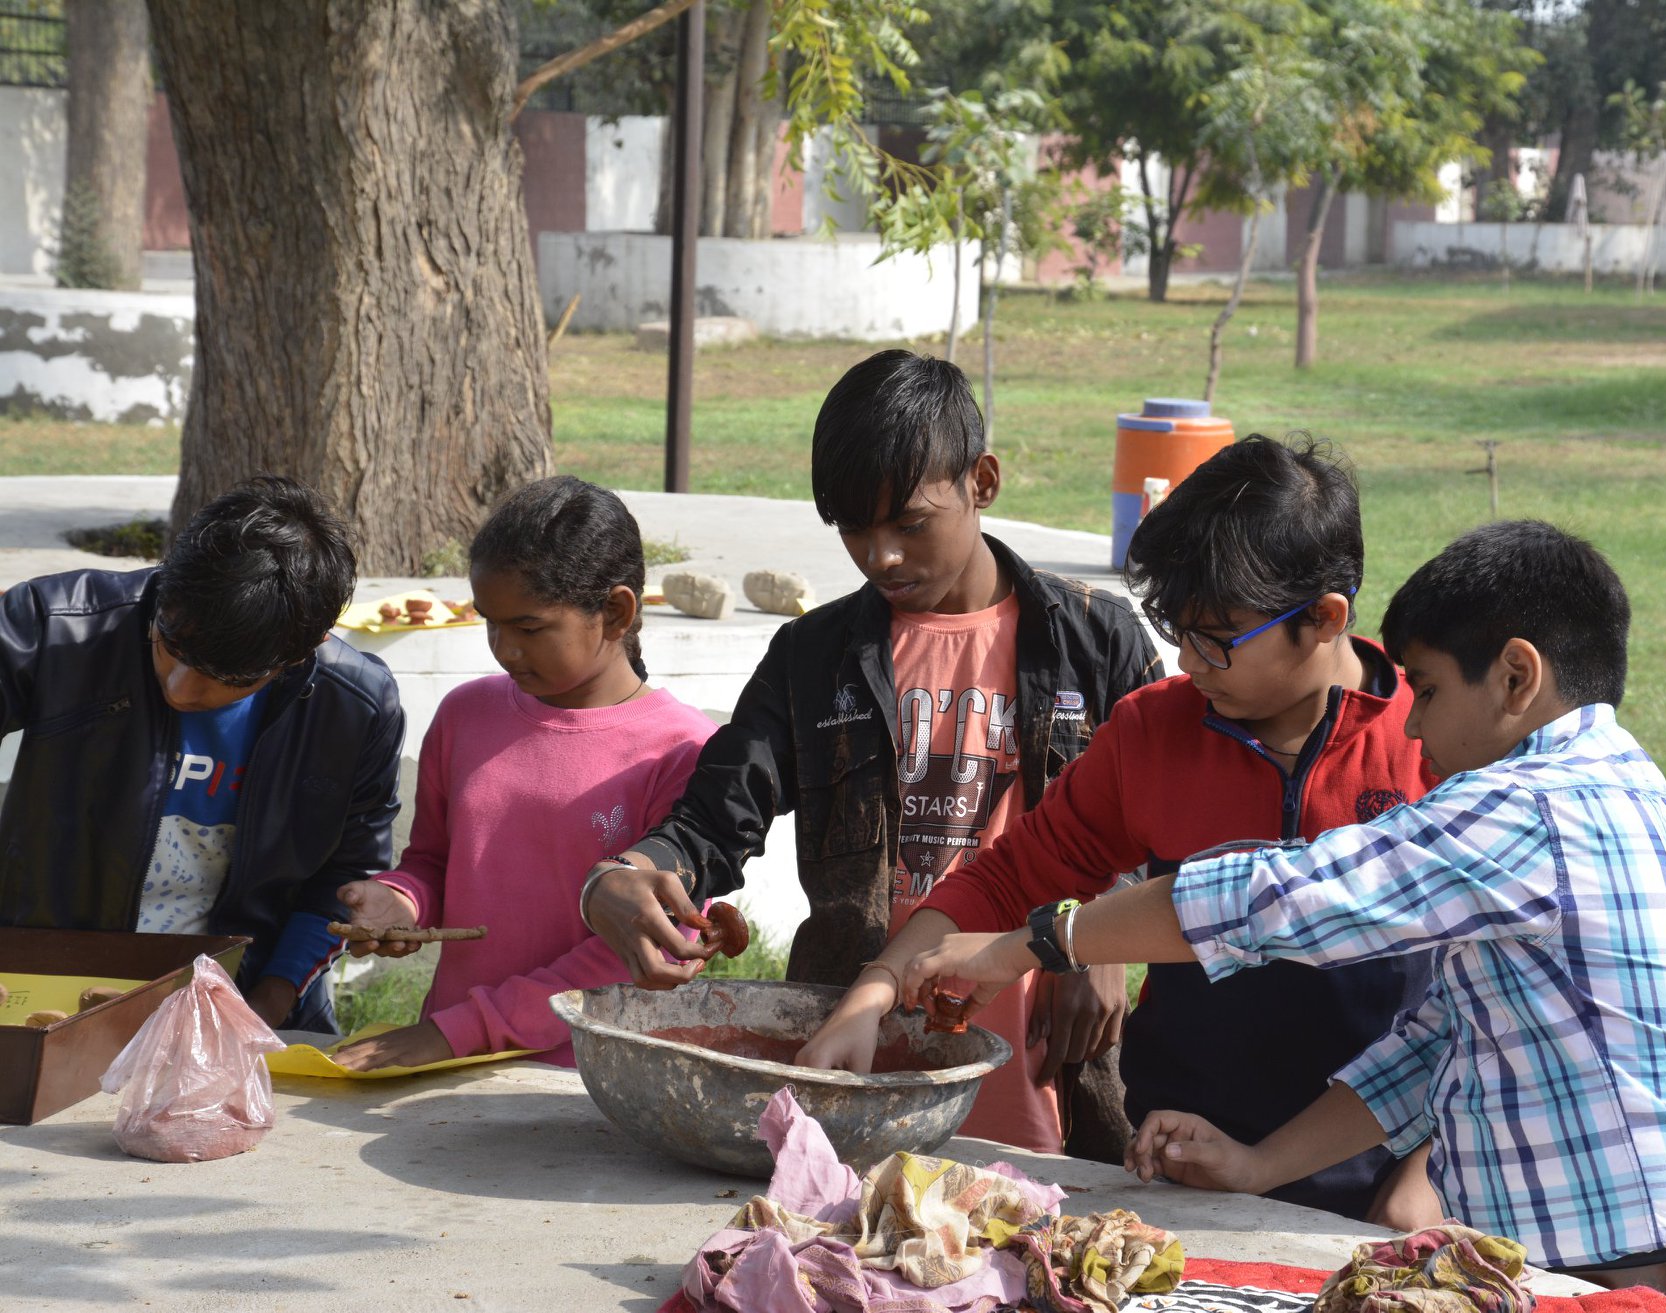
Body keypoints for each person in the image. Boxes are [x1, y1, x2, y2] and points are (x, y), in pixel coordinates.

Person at [899, 520, 1666, 1312]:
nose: (1413, 729)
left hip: (1654, 1286)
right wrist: (1257, 1166)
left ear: (1517, 676)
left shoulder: (1535, 807)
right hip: (1630, 1272)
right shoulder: (1602, 779)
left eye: (1432, 692)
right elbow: (1436, 1045)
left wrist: (1034, 942)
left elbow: (1280, 898)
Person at [799, 434, 1440, 1227]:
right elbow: (1010, 876)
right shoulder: (1154, 731)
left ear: (1323, 618)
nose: (1187, 661)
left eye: (1215, 637)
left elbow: (1488, 995)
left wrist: (1421, 1168)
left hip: (1384, 1176)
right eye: (1174, 628)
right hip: (1183, 1156)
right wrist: (877, 986)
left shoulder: (1436, 742)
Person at [581, 350, 1164, 1157]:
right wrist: (622, 876)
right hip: (854, 1060)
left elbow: (1161, 832)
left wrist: (1097, 943)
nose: (880, 555)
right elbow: (715, 817)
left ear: (982, 483)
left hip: (1046, 1061)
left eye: (909, 524)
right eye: (854, 528)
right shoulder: (812, 657)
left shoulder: (1096, 640)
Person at [331, 478, 717, 1070]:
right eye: (490, 622)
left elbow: (643, 952)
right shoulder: (466, 715)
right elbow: (435, 861)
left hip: (588, 1078)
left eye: (529, 628)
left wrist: (459, 1031)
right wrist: (402, 902)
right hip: (448, 1066)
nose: (504, 649)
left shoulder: (683, 752)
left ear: (615, 612)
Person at [0, 475, 403, 1031]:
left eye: (227, 677)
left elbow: (343, 878)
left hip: (249, 1004)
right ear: (169, 584)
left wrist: (262, 1012)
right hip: (51, 992)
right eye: (170, 644)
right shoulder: (57, 625)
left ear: (299, 655)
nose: (182, 688)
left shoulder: (356, 706)